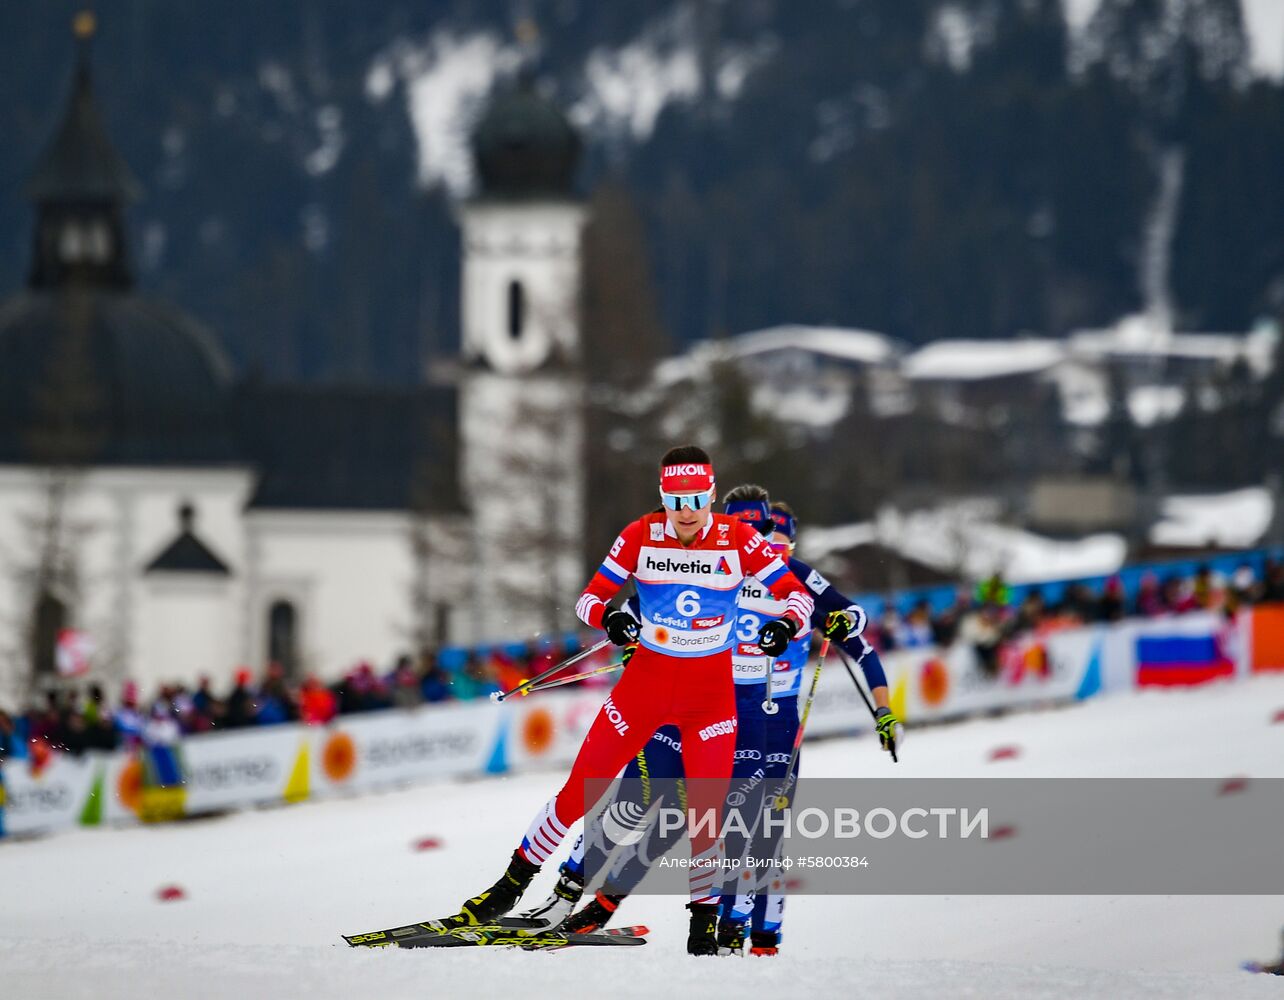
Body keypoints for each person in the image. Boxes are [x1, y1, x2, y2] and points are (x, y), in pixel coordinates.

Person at [447, 446, 815, 956]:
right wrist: (611, 618)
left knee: (706, 816)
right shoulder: (640, 535)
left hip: (710, 700)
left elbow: (799, 596)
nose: (686, 511)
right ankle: (509, 887)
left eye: (696, 499)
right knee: (580, 791)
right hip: (644, 687)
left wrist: (783, 624)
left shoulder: (741, 540)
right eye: (675, 499)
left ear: (710, 495)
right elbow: (589, 598)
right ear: (663, 497)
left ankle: (703, 927)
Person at [532, 489, 900, 957]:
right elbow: (630, 611)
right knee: (640, 800)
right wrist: (628, 636)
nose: (769, 548)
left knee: (749, 827)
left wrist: (870, 679)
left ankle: (743, 934)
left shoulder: (793, 577)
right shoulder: (709, 561)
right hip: (694, 700)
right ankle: (575, 895)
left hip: (762, 717)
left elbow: (856, 623)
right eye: (761, 536)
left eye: (776, 539)